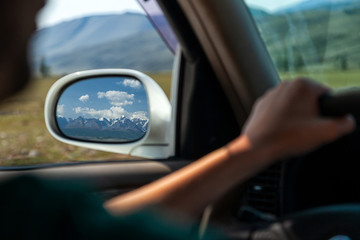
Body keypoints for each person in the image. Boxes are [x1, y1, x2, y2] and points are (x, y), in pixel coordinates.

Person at [0, 0, 356, 239]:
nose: (44, 5)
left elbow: (99, 227)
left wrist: (253, 149)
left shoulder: (25, 211)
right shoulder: (27, 209)